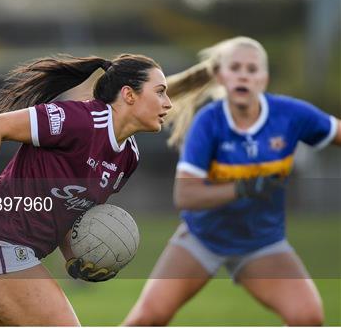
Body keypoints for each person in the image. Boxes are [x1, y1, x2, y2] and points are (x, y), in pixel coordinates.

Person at [124, 36, 341, 326]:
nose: (243, 75)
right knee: (147, 319)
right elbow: (185, 196)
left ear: (264, 78)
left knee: (308, 318)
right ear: (220, 76)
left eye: (252, 69)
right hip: (202, 239)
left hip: (261, 243)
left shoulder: (291, 115)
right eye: (235, 67)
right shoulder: (209, 122)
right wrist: (244, 187)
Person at [0, 54, 174, 326]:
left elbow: (71, 210)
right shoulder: (80, 120)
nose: (168, 103)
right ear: (129, 95)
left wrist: (73, 258)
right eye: (160, 92)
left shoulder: (128, 158)